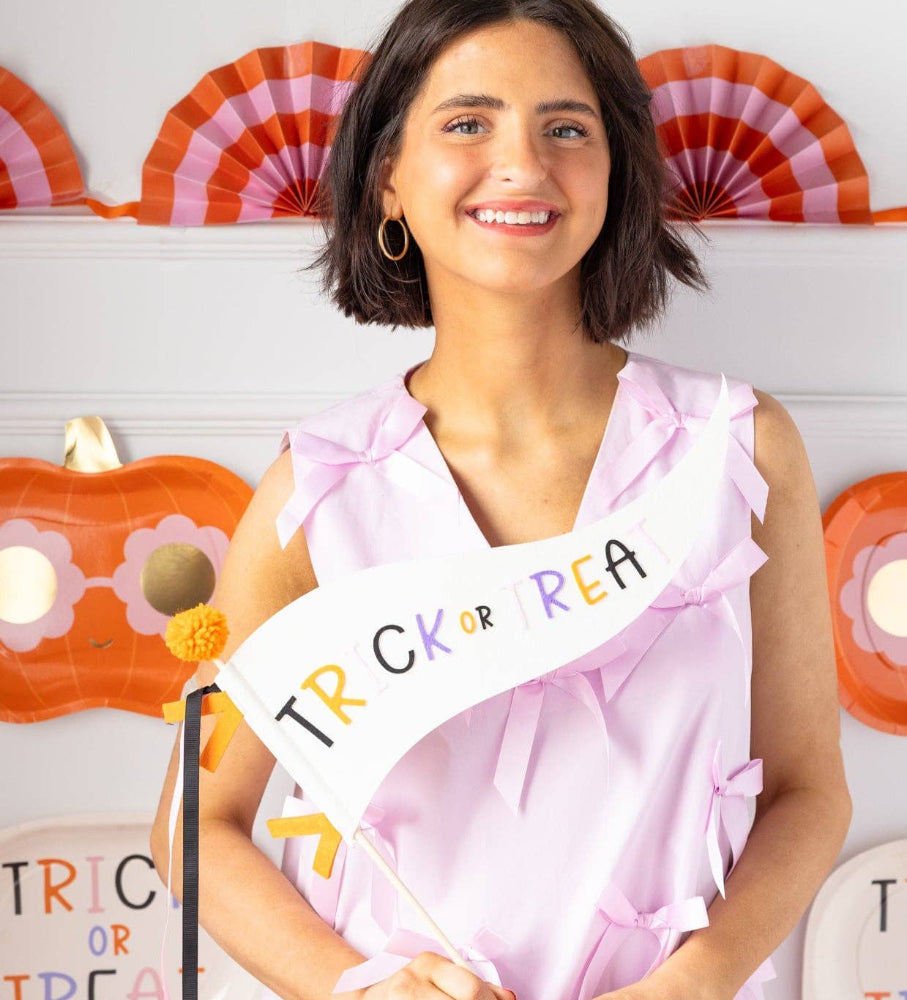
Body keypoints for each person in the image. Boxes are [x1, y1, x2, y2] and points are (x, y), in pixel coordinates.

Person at [149, 2, 852, 999]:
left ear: (616, 172)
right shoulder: (317, 491)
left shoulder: (739, 449)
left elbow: (808, 790)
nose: (522, 164)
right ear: (388, 176)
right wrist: (362, 989)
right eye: (468, 123)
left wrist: (694, 983)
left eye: (566, 127)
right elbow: (195, 824)